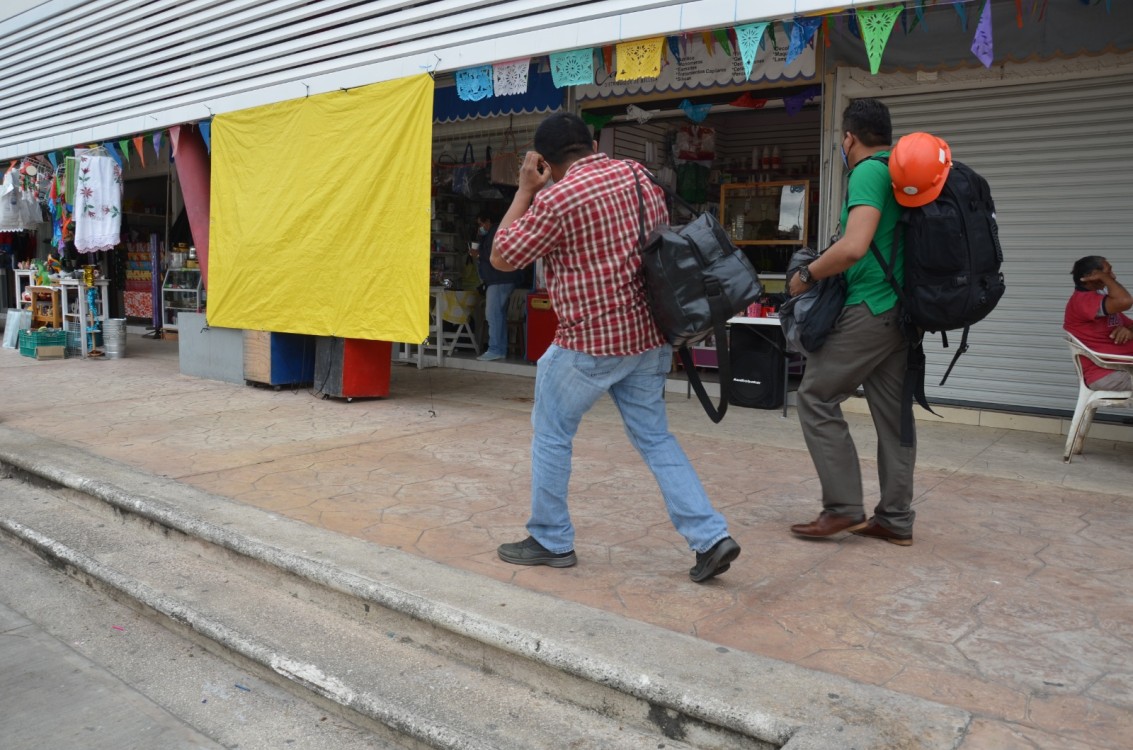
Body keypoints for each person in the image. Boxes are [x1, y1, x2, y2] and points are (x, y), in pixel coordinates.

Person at [489, 112, 740, 583]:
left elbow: (503, 255)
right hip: (648, 338)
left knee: (551, 432)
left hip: (589, 342)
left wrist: (525, 189)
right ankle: (709, 536)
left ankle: (550, 538)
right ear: (589, 144)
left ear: (543, 161)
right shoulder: (639, 176)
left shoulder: (558, 198)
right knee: (656, 438)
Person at [786, 98, 917, 547]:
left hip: (871, 308)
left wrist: (807, 275)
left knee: (815, 396)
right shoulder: (899, 172)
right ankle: (895, 519)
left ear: (849, 138)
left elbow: (855, 247)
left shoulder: (868, 171)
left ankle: (842, 508)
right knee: (893, 418)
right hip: (900, 312)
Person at [1064, 256, 1133, 390]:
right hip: (1107, 373)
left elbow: (1130, 323)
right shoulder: (1082, 301)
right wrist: (1106, 279)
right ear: (1091, 276)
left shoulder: (1101, 301)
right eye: (1108, 272)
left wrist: (1130, 331)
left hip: (1124, 368)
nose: (1113, 276)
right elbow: (1125, 301)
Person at [470, 208, 525, 362]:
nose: (480, 227)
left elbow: (495, 255)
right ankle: (499, 348)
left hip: (500, 279)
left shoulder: (495, 232)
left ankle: (496, 349)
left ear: (488, 221)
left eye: (481, 224)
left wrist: (478, 254)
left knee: (493, 314)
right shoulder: (496, 232)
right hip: (500, 279)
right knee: (496, 315)